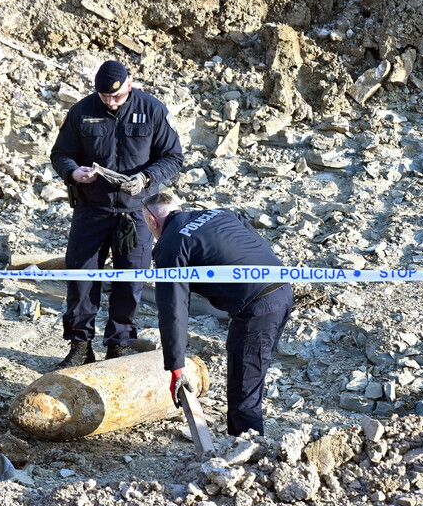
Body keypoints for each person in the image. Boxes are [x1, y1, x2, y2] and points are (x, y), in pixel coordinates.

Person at [50, 60, 184, 369]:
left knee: (129, 282)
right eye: (105, 97)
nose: (111, 102)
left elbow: (173, 156)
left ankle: (118, 349)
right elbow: (61, 154)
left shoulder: (152, 109)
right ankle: (80, 348)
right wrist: (74, 172)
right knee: (81, 279)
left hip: (136, 213)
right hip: (91, 210)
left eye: (117, 96)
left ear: (129, 86)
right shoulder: (82, 111)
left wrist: (146, 178)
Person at [141, 192, 294, 437]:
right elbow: (257, 243)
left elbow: (174, 308)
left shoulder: (170, 244)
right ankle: (248, 442)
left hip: (257, 308)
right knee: (251, 376)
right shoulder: (220, 213)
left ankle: (249, 451)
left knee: (243, 389)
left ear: (151, 221)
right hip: (283, 290)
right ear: (180, 208)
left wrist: (176, 366)